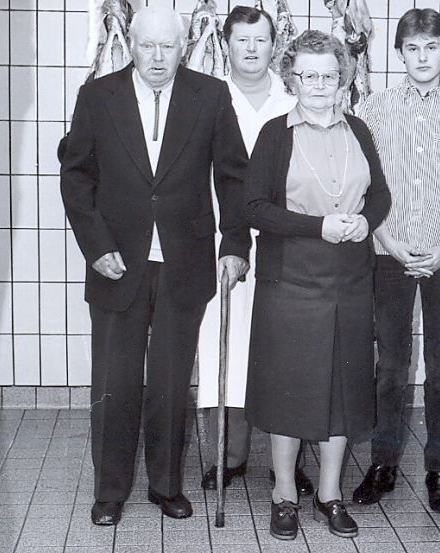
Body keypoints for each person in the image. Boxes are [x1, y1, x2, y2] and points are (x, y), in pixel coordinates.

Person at [59, 6, 251, 527]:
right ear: (132, 45)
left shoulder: (210, 96)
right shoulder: (98, 97)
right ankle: (110, 491)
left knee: (169, 384)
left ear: (183, 46)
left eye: (168, 46)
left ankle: (166, 486)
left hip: (183, 262)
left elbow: (233, 177)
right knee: (115, 381)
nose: (158, 57)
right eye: (148, 46)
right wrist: (95, 246)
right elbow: (76, 179)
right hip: (116, 262)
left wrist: (235, 244)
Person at [243, 30, 391, 541]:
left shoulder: (360, 130)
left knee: (342, 391)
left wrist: (365, 221)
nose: (320, 85)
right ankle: (284, 494)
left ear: (343, 77)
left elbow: (382, 197)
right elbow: (253, 207)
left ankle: (330, 495)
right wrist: (318, 226)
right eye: (309, 76)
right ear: (292, 78)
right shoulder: (274, 134)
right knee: (290, 390)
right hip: (291, 279)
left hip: (349, 279)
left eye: (330, 75)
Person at [352, 7, 440, 511]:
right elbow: (360, 187)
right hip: (390, 253)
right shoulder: (375, 110)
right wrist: (387, 239)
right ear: (399, 53)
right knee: (390, 367)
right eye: (411, 48)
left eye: (431, 47)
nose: (422, 57)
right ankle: (383, 463)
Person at [196, 6, 313, 496]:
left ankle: (286, 463)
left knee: (286, 348)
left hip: (284, 243)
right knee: (220, 344)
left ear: (273, 45)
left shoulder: (294, 101)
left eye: (260, 40)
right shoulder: (204, 98)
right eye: (241, 40)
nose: (250, 49)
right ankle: (229, 453)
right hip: (221, 241)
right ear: (226, 44)